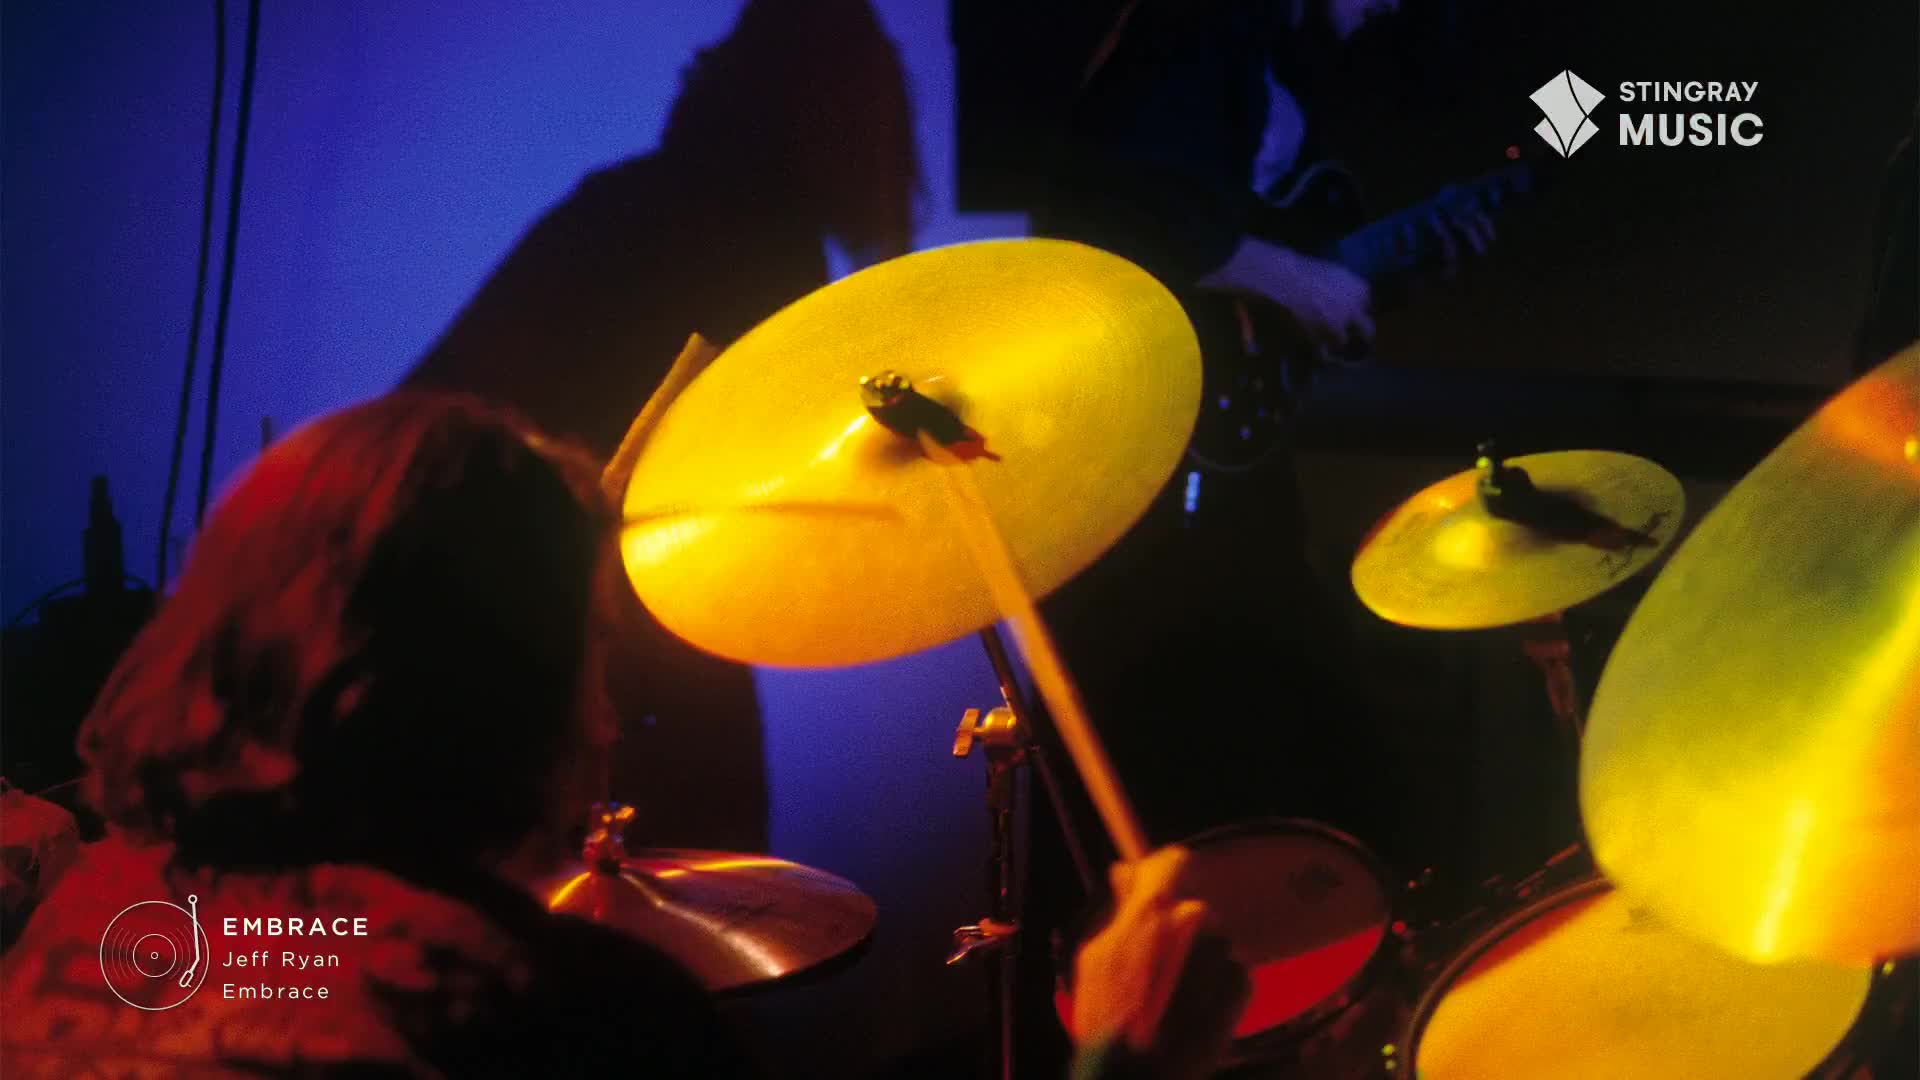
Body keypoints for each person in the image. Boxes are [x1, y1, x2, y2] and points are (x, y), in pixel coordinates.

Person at [0, 392, 1245, 1078]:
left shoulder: (96, 925)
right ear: (492, 695)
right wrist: (1122, 1064)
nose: (603, 719)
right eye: (586, 658)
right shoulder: (547, 1023)